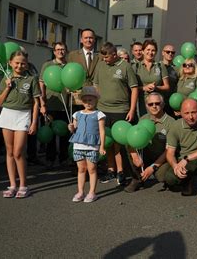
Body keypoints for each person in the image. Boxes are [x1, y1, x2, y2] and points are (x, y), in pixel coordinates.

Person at [0, 51, 41, 198]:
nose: (19, 65)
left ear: (27, 64)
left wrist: (34, 122)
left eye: (22, 63)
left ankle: (23, 185)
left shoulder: (32, 79)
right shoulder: (6, 78)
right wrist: (8, 87)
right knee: (9, 152)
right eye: (17, 62)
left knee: (18, 152)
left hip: (23, 116)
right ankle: (12, 185)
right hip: (7, 115)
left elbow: (36, 103)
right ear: (10, 63)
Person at [93, 42, 138, 186]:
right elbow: (96, 85)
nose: (104, 60)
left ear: (114, 55)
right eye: (103, 57)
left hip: (121, 111)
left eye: (106, 57)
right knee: (108, 144)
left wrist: (131, 110)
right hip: (102, 110)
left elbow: (134, 89)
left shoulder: (125, 66)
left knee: (119, 144)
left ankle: (121, 172)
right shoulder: (100, 65)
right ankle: (110, 171)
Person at [125, 92, 175, 193]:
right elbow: (134, 140)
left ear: (163, 104)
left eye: (157, 103)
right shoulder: (143, 119)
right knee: (127, 143)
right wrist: (135, 157)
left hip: (162, 158)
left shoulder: (171, 122)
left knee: (162, 177)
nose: (154, 106)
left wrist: (152, 168)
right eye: (150, 104)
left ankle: (169, 180)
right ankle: (137, 178)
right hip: (146, 155)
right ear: (146, 106)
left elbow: (169, 150)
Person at [68, 86, 106, 203]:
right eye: (85, 100)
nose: (88, 102)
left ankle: (92, 192)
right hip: (78, 145)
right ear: (82, 101)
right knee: (81, 169)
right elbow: (74, 130)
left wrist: (102, 146)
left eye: (91, 100)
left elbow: (102, 131)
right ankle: (80, 191)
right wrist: (71, 128)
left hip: (92, 146)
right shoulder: (77, 114)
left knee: (92, 169)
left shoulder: (99, 114)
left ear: (96, 100)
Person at [39, 42, 70, 168]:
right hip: (50, 105)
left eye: (62, 49)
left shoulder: (69, 66)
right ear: (54, 51)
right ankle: (50, 158)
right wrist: (42, 103)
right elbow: (41, 84)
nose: (60, 51)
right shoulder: (47, 65)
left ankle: (64, 158)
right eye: (57, 49)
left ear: (66, 51)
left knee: (65, 134)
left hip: (65, 106)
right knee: (50, 134)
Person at [133, 40, 169, 116]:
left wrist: (156, 87)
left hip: (157, 105)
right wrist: (144, 88)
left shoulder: (160, 66)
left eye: (153, 50)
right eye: (148, 50)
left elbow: (167, 87)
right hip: (141, 104)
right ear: (143, 51)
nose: (150, 52)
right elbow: (131, 88)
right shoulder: (135, 67)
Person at [161, 44, 178, 117]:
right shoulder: (157, 66)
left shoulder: (177, 69)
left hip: (171, 103)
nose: (170, 54)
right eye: (168, 52)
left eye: (172, 52)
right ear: (163, 53)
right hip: (158, 102)